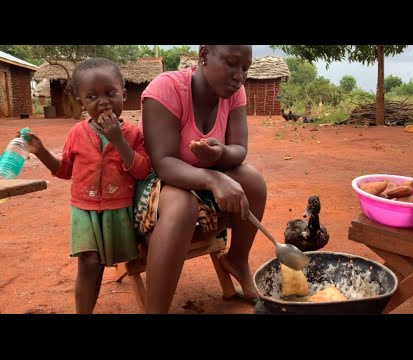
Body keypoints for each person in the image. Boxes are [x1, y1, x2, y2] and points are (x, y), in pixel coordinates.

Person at [136, 45, 267, 313]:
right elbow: (162, 163)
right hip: (160, 180)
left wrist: (221, 153)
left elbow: (239, 150)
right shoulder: (167, 89)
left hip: (207, 172)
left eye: (245, 68)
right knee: (183, 204)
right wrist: (213, 180)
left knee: (252, 181)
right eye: (231, 64)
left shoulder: (235, 93)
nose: (239, 76)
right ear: (205, 54)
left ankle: (237, 260)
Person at [24, 58, 151, 314]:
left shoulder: (134, 134)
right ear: (81, 102)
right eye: (92, 96)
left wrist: (117, 140)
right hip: (84, 210)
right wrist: (41, 153)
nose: (102, 101)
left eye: (110, 93)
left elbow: (141, 170)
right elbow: (65, 170)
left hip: (119, 212)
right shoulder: (76, 133)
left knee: (127, 258)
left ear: (124, 95)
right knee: (89, 262)